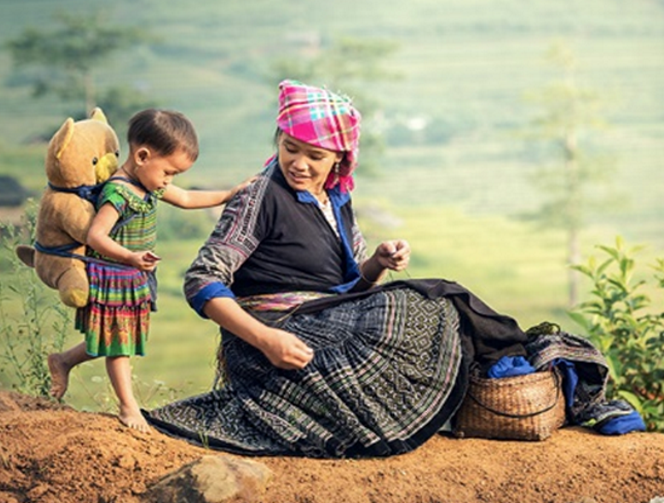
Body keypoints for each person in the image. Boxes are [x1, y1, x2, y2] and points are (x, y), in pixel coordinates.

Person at [145, 81, 529, 456]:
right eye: (289, 148)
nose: (298, 163)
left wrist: (378, 262)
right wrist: (266, 340)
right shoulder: (258, 196)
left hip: (325, 319)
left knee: (435, 302)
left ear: (338, 159)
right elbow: (202, 280)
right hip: (275, 335)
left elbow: (349, 285)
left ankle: (511, 374)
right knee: (425, 301)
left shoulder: (337, 198)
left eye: (314, 156)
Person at [48, 108, 250, 433]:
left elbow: (185, 198)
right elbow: (96, 236)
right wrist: (129, 256)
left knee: (117, 337)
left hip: (133, 276)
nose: (170, 181)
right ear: (143, 156)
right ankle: (128, 408)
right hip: (114, 275)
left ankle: (64, 360)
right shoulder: (118, 192)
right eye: (169, 172)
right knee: (119, 345)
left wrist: (228, 195)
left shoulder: (150, 185)